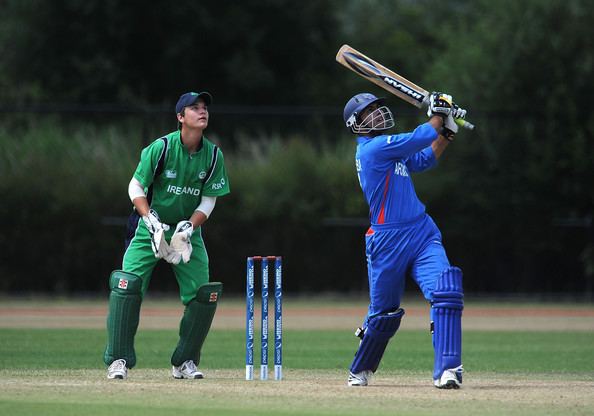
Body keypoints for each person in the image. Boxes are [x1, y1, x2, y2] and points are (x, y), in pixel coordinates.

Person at [343, 91, 466, 389]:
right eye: (368, 112)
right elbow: (420, 136)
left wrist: (446, 132)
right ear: (355, 123)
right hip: (387, 240)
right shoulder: (372, 150)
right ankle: (360, 369)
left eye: (377, 107)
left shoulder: (390, 150)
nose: (376, 113)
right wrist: (439, 113)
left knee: (446, 292)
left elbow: (424, 159)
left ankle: (448, 370)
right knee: (384, 315)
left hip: (421, 232)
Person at [104, 91, 230, 380]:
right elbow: (135, 188)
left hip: (187, 232)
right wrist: (149, 218)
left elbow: (208, 201)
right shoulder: (160, 149)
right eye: (194, 108)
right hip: (150, 227)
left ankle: (184, 361)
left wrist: (189, 227)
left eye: (204, 108)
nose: (202, 112)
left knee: (204, 295)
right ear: (180, 117)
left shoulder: (212, 155)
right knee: (127, 286)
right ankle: (117, 360)